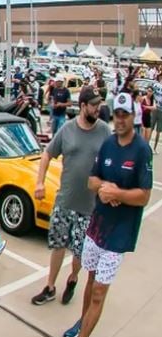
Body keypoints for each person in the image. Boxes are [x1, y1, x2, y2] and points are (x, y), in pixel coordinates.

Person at [57, 92, 152, 337]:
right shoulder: (108, 144)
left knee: (99, 291)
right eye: (117, 114)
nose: (120, 119)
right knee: (89, 279)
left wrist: (119, 194)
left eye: (125, 114)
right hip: (98, 225)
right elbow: (91, 180)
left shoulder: (141, 150)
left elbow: (145, 196)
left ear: (133, 116)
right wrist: (103, 189)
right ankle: (81, 320)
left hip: (119, 233)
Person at [31, 87, 111, 308]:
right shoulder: (67, 129)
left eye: (99, 105)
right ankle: (49, 287)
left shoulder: (104, 131)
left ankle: (73, 278)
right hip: (65, 200)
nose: (98, 108)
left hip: (90, 206)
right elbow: (47, 153)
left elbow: (111, 160)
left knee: (80, 250)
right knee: (58, 245)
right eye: (94, 105)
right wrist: (40, 182)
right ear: (83, 106)